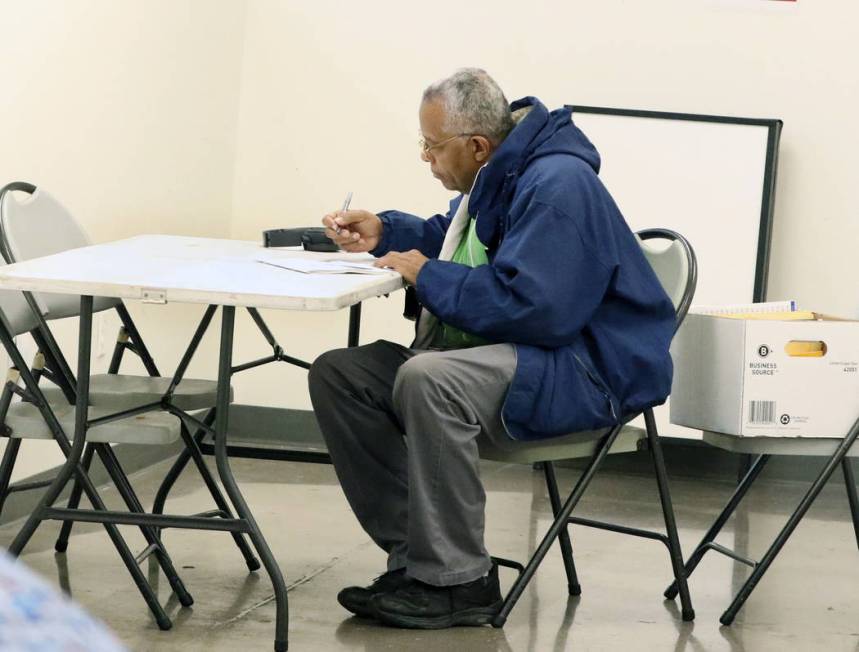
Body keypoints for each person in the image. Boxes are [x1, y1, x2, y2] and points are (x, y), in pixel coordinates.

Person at [308, 68, 675, 629]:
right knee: (343, 374)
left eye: (432, 147)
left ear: (477, 146)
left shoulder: (558, 186)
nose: (426, 159)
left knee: (429, 378)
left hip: (585, 369)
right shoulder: (502, 174)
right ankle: (421, 563)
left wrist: (427, 277)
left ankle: (461, 583)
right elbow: (467, 243)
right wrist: (386, 230)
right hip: (528, 355)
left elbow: (538, 310)